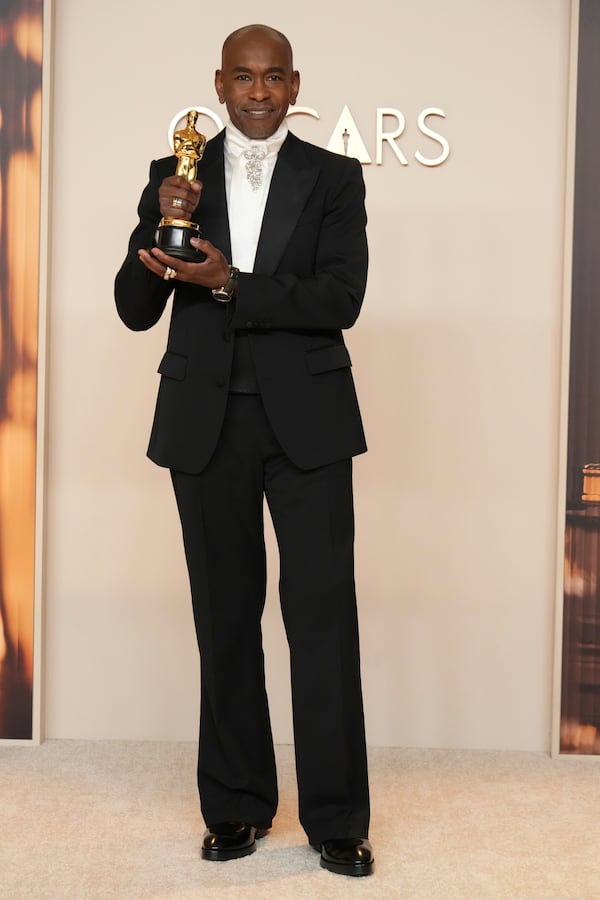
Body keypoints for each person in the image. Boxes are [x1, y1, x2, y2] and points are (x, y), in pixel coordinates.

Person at [115, 24, 373, 878]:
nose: (257, 93)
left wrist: (226, 281)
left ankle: (336, 821)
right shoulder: (173, 176)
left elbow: (341, 297)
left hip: (309, 427)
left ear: (293, 85)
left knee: (322, 621)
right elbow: (132, 308)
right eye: (242, 78)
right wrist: (164, 237)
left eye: (272, 78)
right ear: (218, 86)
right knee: (225, 620)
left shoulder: (333, 177)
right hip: (206, 423)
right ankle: (234, 807)